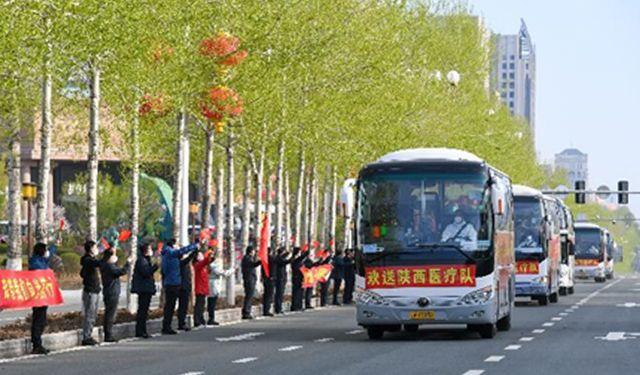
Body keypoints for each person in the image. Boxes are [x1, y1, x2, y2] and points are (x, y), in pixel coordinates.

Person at [161, 238, 198, 334]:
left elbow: (182, 262)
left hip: (175, 282)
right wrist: (194, 245)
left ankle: (177, 324)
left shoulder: (171, 256)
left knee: (175, 305)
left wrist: (191, 255)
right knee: (170, 306)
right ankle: (166, 326)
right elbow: (181, 253)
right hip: (173, 283)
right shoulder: (170, 253)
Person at [28, 242, 56, 355]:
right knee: (38, 319)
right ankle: (36, 344)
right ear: (41, 251)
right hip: (37, 296)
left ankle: (38, 342)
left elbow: (50, 255)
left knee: (42, 320)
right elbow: (42, 271)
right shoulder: (35, 262)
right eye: (45, 249)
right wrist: (49, 270)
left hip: (44, 295)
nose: (47, 252)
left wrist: (55, 245)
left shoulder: (42, 260)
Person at [100, 248, 132, 343]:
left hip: (110, 291)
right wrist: (128, 263)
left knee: (110, 313)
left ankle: (108, 333)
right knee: (110, 314)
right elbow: (122, 272)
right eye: (114, 255)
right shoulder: (109, 267)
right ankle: (108, 335)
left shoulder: (106, 265)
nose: (115, 257)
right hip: (111, 292)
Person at [131, 242, 159, 338]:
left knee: (144, 310)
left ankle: (143, 330)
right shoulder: (142, 260)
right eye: (150, 249)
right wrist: (155, 267)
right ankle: (140, 330)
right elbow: (146, 272)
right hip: (143, 289)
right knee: (142, 310)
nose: (152, 251)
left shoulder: (146, 260)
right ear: (146, 251)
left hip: (146, 288)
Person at [80, 240, 101, 346]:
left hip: (95, 290)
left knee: (93, 314)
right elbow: (97, 263)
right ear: (91, 249)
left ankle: (89, 334)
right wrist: (106, 257)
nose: (97, 249)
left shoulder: (90, 260)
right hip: (90, 291)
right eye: (95, 247)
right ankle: (86, 336)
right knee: (89, 314)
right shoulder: (87, 260)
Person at [208, 259, 234, 325]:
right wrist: (232, 270)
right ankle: (211, 318)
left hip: (213, 285)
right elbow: (223, 273)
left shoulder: (212, 265)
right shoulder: (213, 266)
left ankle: (211, 318)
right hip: (213, 285)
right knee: (212, 303)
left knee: (211, 302)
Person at [193, 249, 215, 327]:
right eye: (200, 255)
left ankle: (201, 320)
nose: (201, 256)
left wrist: (211, 258)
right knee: (199, 305)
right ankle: (197, 321)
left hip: (204, 287)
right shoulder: (197, 265)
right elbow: (204, 262)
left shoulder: (204, 266)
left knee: (202, 305)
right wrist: (208, 256)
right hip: (200, 288)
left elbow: (207, 264)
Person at [177, 248, 198, 331]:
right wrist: (194, 251)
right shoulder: (179, 263)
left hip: (185, 286)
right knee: (182, 306)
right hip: (182, 287)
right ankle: (181, 323)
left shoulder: (184, 263)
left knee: (184, 306)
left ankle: (182, 322)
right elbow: (188, 259)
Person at [241, 246, 261, 319]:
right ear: (250, 251)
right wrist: (260, 261)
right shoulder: (246, 258)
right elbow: (253, 264)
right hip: (249, 280)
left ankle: (247, 311)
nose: (254, 253)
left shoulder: (249, 258)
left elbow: (253, 263)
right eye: (253, 251)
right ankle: (246, 312)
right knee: (249, 296)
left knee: (250, 296)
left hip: (251, 279)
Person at [274, 247, 292, 314]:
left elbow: (284, 257)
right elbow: (285, 261)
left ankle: (279, 308)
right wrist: (292, 257)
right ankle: (278, 308)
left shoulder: (279, 257)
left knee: (280, 294)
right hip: (280, 278)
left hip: (282, 278)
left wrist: (289, 252)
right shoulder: (278, 259)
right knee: (279, 294)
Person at [262, 248, 278, 316]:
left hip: (266, 278)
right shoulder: (271, 259)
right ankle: (267, 310)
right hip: (270, 279)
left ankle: (266, 310)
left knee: (266, 295)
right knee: (269, 295)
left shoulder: (264, 259)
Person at [290, 247, 307, 311]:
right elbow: (298, 262)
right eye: (299, 252)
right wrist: (304, 254)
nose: (300, 253)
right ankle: (295, 306)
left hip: (301, 277)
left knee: (300, 292)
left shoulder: (299, 260)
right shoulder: (295, 259)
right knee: (296, 292)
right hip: (296, 277)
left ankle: (299, 305)